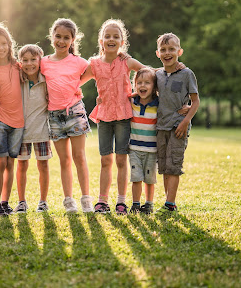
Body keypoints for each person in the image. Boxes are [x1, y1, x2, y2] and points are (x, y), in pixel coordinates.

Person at [80, 19, 148, 215]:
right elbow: (75, 83)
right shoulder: (94, 65)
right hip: (104, 117)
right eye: (107, 36)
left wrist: (140, 92)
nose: (111, 39)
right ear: (101, 41)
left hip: (124, 117)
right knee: (105, 160)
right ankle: (102, 201)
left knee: (121, 159)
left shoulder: (126, 61)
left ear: (122, 42)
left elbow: (148, 74)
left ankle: (121, 201)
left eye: (115, 37)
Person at [40, 18, 94, 213]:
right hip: (54, 116)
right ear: (51, 36)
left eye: (66, 38)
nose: (61, 41)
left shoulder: (79, 62)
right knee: (64, 160)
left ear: (72, 40)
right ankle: (69, 201)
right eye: (58, 36)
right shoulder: (43, 62)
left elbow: (93, 72)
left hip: (75, 112)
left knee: (79, 157)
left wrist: (76, 86)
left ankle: (86, 200)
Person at [154, 33, 199, 216]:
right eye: (163, 50)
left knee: (174, 164)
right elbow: (144, 84)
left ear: (179, 51)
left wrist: (186, 120)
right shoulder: (157, 75)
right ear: (158, 53)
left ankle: (170, 203)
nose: (167, 53)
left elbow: (195, 102)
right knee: (164, 166)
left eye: (171, 49)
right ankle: (167, 203)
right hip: (161, 126)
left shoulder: (187, 74)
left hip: (178, 126)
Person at [0, 23, 24, 217]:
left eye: (4, 43)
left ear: (10, 44)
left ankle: (5, 203)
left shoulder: (18, 66)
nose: (0, 48)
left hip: (18, 122)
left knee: (10, 164)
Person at [12, 44, 52, 213]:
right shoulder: (18, 80)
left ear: (40, 60)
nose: (29, 64)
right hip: (21, 132)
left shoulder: (46, 80)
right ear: (20, 62)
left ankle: (43, 201)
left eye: (33, 60)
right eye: (25, 60)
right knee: (22, 166)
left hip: (42, 131)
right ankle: (22, 202)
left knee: (43, 166)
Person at [128, 68, 159, 214]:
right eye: (139, 82)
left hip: (152, 150)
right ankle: (135, 204)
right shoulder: (132, 101)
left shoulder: (158, 104)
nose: (143, 86)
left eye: (147, 82)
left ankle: (149, 204)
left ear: (154, 87)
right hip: (134, 147)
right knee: (136, 178)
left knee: (149, 178)